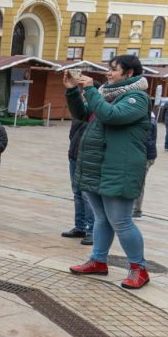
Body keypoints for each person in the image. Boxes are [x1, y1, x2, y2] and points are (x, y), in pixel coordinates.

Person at [64, 54, 152, 289]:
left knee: (121, 221)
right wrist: (72, 90)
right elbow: (82, 114)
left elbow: (111, 116)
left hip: (118, 168)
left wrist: (91, 89)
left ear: (129, 73)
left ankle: (139, 269)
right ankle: (98, 261)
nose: (108, 73)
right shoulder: (106, 94)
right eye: (108, 68)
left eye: (114, 69)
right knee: (101, 218)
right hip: (97, 166)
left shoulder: (137, 98)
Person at [61, 79, 101, 245]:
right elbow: (73, 135)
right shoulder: (81, 110)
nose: (83, 94)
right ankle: (80, 227)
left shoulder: (97, 112)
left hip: (87, 160)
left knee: (87, 195)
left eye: (86, 91)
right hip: (74, 156)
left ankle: (92, 230)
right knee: (77, 193)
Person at [132, 104, 157, 221]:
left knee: (138, 182)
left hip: (144, 156)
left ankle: (136, 211)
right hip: (143, 155)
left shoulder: (148, 121)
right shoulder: (146, 119)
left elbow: (145, 142)